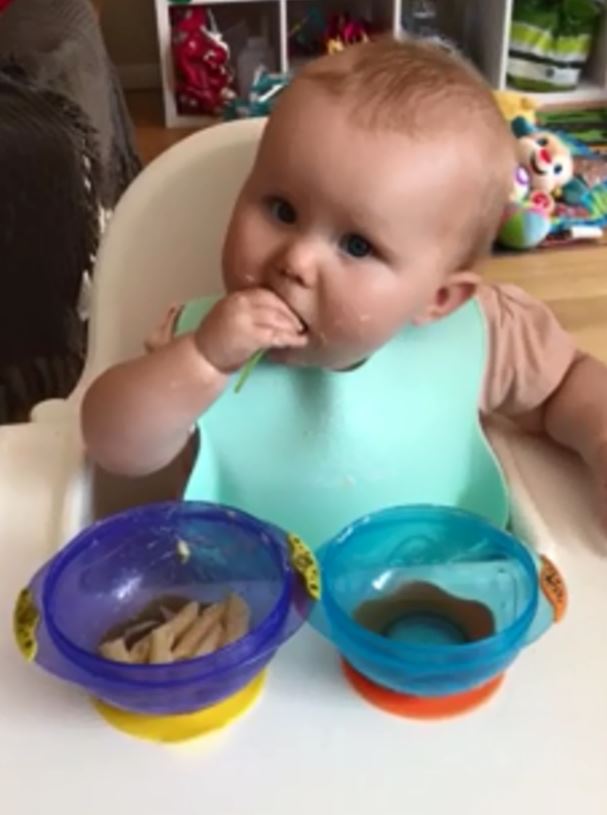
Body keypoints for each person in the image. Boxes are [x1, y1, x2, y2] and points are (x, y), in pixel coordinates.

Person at [81, 38, 607, 544]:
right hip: (252, 610)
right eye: (282, 210)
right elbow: (113, 447)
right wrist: (201, 360)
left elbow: (567, 383)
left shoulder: (482, 334)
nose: (296, 262)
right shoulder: (199, 344)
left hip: (433, 602)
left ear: (437, 300)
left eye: (356, 245)